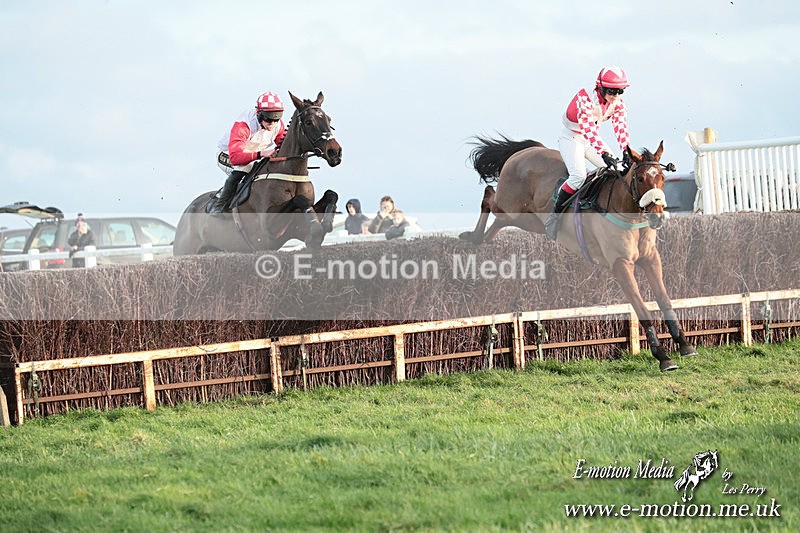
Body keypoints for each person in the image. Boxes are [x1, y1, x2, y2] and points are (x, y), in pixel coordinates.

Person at [545, 66, 631, 240]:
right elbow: (589, 130)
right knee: (578, 176)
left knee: (620, 170)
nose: (615, 96)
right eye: (611, 91)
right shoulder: (585, 99)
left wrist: (626, 151)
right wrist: (604, 153)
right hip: (572, 139)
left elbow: (620, 128)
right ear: (600, 87)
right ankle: (554, 217)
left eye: (620, 91)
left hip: (591, 140)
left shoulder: (617, 103)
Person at [208, 91, 288, 214]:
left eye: (276, 119)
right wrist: (261, 154)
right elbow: (235, 158)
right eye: (268, 119)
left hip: (252, 157)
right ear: (259, 113)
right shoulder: (244, 125)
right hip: (228, 154)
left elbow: (284, 147)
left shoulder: (278, 125)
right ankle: (218, 205)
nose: (272, 123)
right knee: (244, 169)